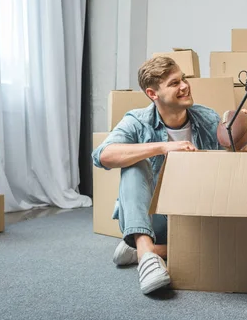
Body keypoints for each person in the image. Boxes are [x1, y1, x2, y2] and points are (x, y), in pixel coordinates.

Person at [92, 56, 222, 294]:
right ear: (153, 94)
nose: (184, 86)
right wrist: (163, 147)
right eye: (174, 83)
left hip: (197, 212)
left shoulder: (207, 117)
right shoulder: (138, 121)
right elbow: (103, 155)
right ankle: (147, 256)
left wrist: (241, 131)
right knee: (134, 165)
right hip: (156, 216)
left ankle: (146, 250)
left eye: (183, 79)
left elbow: (229, 165)